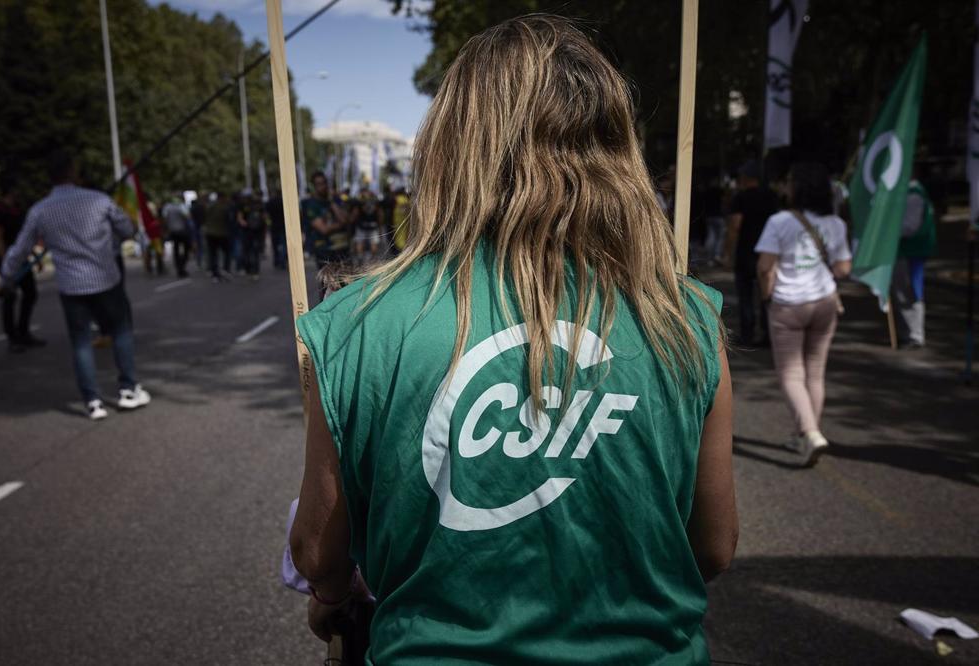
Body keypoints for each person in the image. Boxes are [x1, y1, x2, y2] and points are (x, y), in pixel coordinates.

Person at [288, 16, 736, 664]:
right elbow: (712, 547)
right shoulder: (682, 316)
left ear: (450, 146)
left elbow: (318, 555)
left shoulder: (358, 323)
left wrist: (333, 594)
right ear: (613, 149)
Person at [0, 151, 150, 421]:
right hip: (106, 279)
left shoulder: (40, 210)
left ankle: (93, 401)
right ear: (72, 172)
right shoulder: (99, 200)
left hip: (72, 287)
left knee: (81, 343)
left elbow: (20, 250)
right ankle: (128, 389)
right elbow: (128, 230)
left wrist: (7, 276)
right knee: (121, 331)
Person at [755, 162, 852, 465]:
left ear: (797, 188)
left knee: (791, 374)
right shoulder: (836, 223)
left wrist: (766, 295)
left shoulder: (780, 221)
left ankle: (809, 433)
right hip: (824, 301)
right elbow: (843, 269)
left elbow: (764, 267)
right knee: (815, 372)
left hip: (788, 304)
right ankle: (806, 435)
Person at [724, 160, 781, 345]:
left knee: (746, 294)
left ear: (745, 178)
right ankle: (767, 333)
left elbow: (735, 226)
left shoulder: (740, 198)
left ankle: (747, 333)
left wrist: (729, 252)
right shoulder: (772, 197)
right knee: (767, 292)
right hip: (768, 252)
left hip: (745, 251)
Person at [0, 175, 45, 352]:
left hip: (20, 259)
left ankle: (23, 332)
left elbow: (25, 238)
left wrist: (35, 256)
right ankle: (12, 338)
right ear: (10, 191)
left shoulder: (17, 210)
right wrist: (6, 262)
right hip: (7, 260)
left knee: (30, 293)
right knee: (9, 297)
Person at [892, 176, 936, 349]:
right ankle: (909, 333)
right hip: (909, 250)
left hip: (910, 251)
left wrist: (887, 230)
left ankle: (914, 335)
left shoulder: (913, 195)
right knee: (906, 291)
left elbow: (909, 227)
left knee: (909, 292)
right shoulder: (911, 192)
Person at [300, 171, 349, 271]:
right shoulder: (311, 205)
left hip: (342, 248)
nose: (323, 186)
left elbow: (344, 219)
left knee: (346, 283)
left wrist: (332, 202)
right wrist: (340, 224)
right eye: (319, 184)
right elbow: (324, 229)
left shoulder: (335, 199)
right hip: (324, 251)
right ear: (314, 186)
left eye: (324, 183)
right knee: (328, 284)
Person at [161, 195, 193, 278]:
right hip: (182, 231)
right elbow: (188, 217)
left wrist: (166, 229)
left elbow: (164, 219)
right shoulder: (181, 206)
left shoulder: (167, 207)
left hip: (173, 232)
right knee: (185, 250)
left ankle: (179, 268)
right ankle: (181, 267)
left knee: (176, 250)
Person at [203, 191, 232, 281]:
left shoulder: (210, 206)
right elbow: (229, 220)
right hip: (222, 233)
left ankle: (215, 273)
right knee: (225, 253)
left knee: (213, 254)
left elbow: (205, 217)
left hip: (210, 233)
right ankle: (225, 270)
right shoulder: (225, 207)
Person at [236, 192, 265, 280]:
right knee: (255, 252)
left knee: (246, 251)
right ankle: (255, 271)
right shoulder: (259, 205)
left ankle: (248, 269)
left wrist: (245, 224)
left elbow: (240, 218)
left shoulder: (243, 206)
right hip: (257, 232)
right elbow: (264, 218)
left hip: (247, 232)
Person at [352, 191, 383, 264]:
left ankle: (363, 260)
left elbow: (354, 215)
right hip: (368, 226)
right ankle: (371, 260)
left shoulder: (360, 203)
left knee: (362, 243)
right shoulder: (375, 203)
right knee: (365, 243)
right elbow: (380, 215)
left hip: (365, 226)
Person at [266, 189, 287, 269]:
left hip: (274, 226)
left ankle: (276, 261)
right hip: (282, 226)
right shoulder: (283, 202)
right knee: (283, 245)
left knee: (275, 245)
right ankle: (282, 261)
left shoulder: (270, 202)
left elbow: (266, 215)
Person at [189, 193, 207, 269]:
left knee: (198, 245)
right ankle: (204, 262)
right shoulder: (202, 207)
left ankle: (199, 262)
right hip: (202, 228)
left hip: (196, 228)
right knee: (203, 246)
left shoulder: (193, 209)